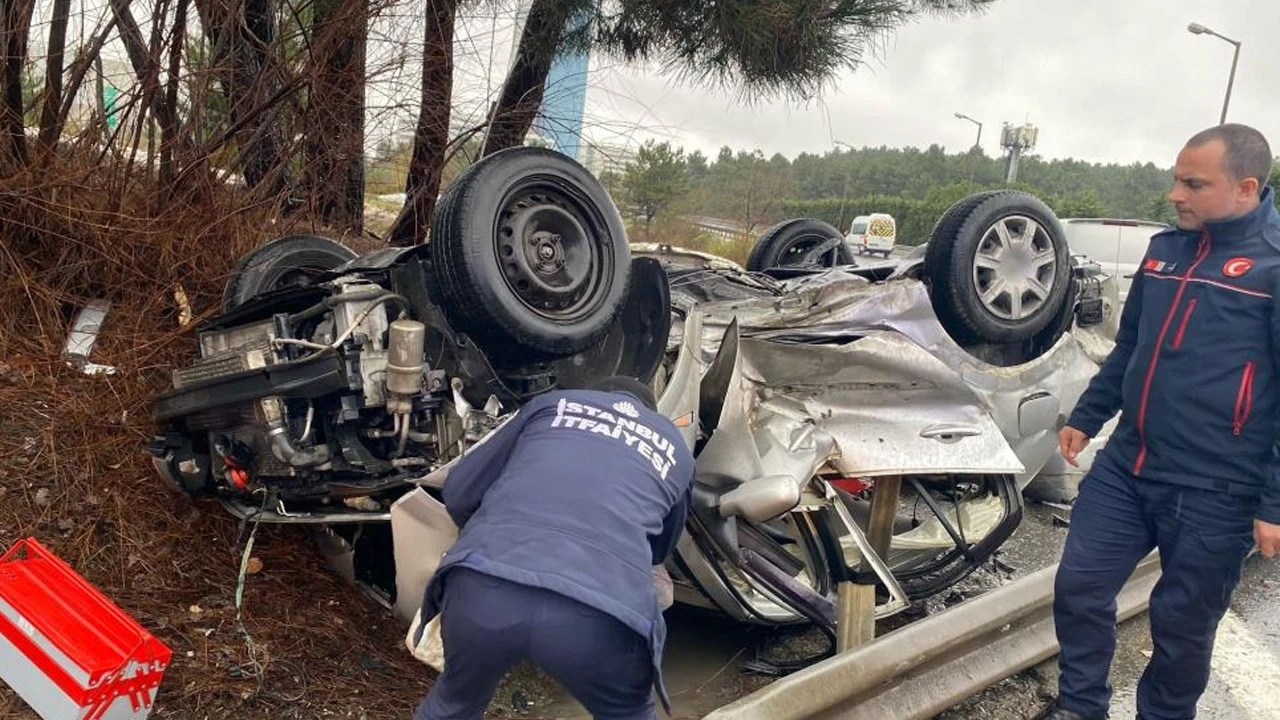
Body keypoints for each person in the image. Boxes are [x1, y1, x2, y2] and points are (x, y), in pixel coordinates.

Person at [1035, 123, 1280, 720]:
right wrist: (1090, 417)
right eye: (1175, 178)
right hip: (1128, 466)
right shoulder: (1165, 250)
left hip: (1217, 489)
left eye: (1193, 183)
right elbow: (1132, 345)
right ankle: (1080, 707)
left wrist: (1273, 502)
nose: (1175, 193)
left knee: (1182, 627)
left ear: (1245, 188)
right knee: (1080, 588)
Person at [411, 375, 694, 720]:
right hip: (601, 611)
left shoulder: (550, 405)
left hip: (484, 584)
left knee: (453, 704)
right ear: (649, 412)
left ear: (592, 395)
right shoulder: (676, 448)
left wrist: (495, 536)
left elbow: (458, 493)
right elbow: (660, 550)